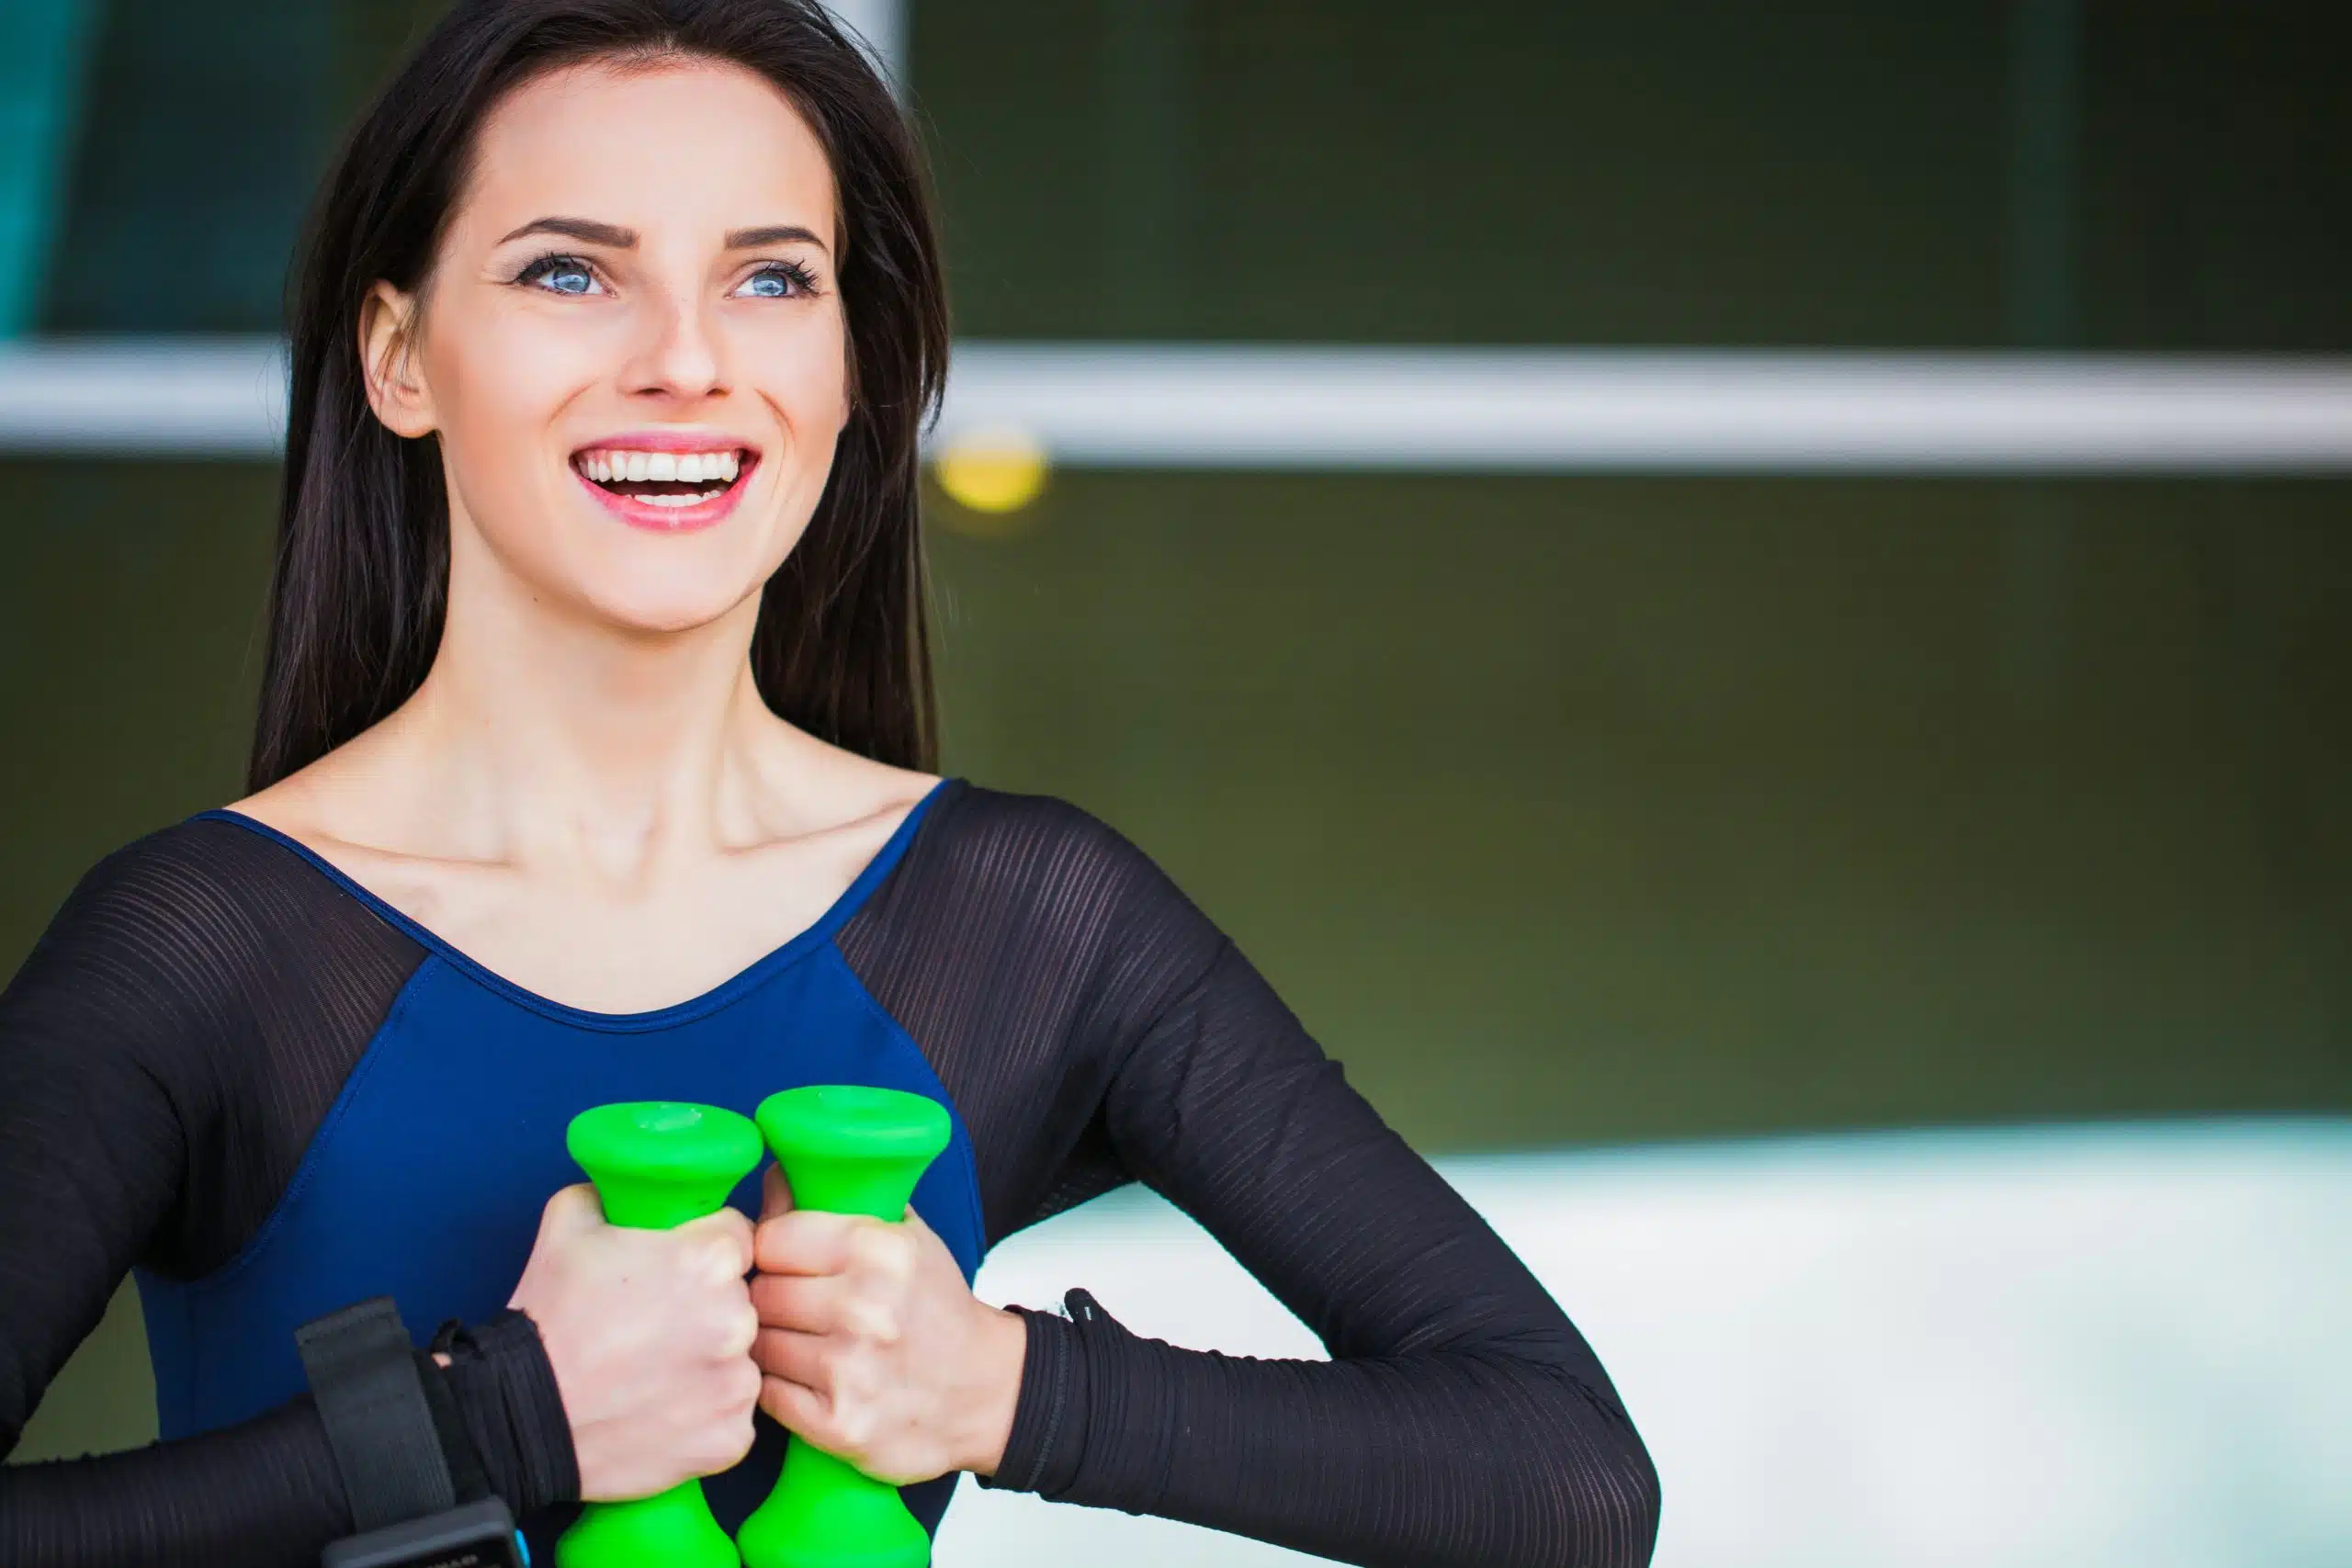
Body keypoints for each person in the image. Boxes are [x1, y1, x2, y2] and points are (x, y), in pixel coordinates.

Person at [0, 2, 1660, 1563]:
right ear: (401, 357)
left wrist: (1003, 1387)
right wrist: (492, 1417)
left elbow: (1565, 1478)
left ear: (850, 368)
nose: (686, 360)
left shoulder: (1025, 920)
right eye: (571, 274)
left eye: (771, 281)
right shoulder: (207, 948)